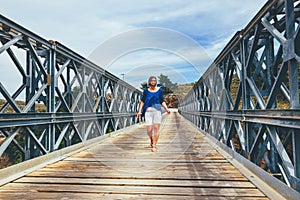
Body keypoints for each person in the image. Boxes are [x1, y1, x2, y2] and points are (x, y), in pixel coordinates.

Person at [136, 76, 171, 152]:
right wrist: (139, 111)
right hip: (148, 111)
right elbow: (142, 101)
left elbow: (162, 101)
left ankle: (154, 145)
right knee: (149, 130)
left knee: (156, 129)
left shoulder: (159, 91)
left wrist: (166, 109)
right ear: (149, 82)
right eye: (152, 80)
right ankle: (151, 139)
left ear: (156, 82)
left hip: (157, 111)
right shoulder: (146, 91)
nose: (153, 81)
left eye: (154, 80)